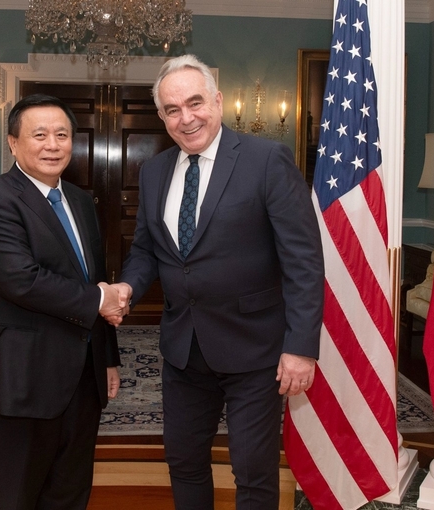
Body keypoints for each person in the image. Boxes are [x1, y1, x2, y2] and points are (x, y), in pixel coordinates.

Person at [107, 55, 325, 509]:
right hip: (183, 351)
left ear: (218, 101)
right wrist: (127, 286)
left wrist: (301, 346)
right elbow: (148, 249)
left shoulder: (267, 160)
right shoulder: (153, 172)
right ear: (162, 116)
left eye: (194, 102)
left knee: (253, 470)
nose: (186, 118)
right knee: (183, 461)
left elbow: (303, 259)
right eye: (172, 109)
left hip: (255, 350)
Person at [0, 93, 126, 509]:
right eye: (39, 135)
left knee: (70, 492)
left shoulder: (79, 200)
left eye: (62, 135)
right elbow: (22, 280)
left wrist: (107, 357)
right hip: (22, 378)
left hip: (83, 379)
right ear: (13, 142)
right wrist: (99, 299)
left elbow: (94, 281)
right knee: (16, 495)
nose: (52, 145)